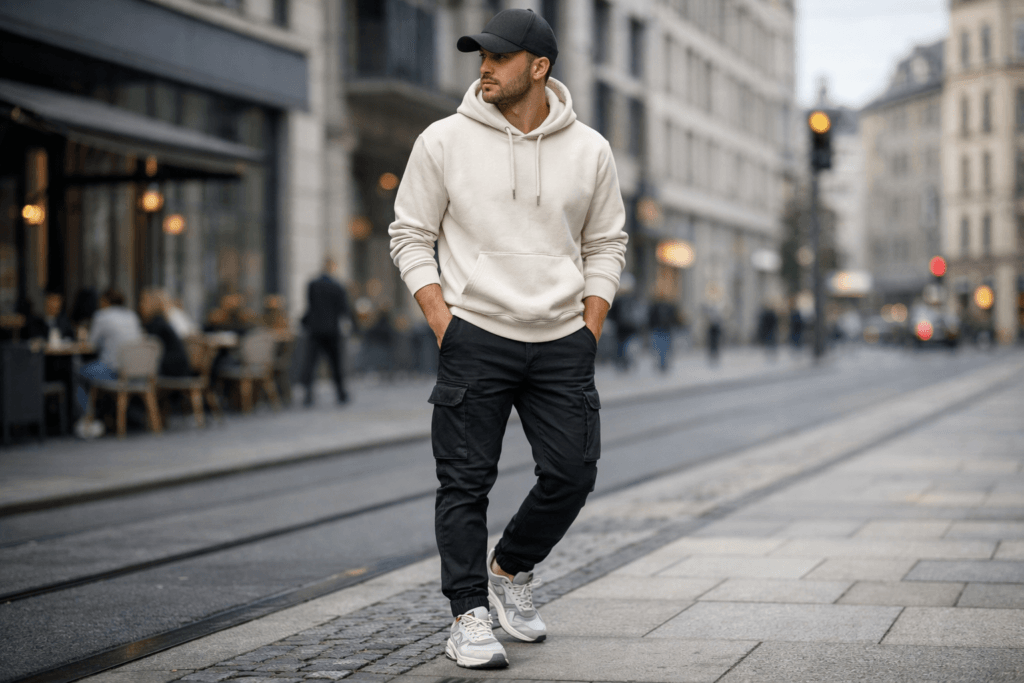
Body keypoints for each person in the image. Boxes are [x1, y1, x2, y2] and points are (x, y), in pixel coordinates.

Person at [388, 9, 627, 670]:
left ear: (539, 67)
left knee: (573, 472)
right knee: (464, 482)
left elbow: (606, 243)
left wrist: (590, 326)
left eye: (497, 57)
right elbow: (410, 234)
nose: (483, 68)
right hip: (476, 335)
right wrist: (444, 320)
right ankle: (467, 615)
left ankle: (511, 567)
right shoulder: (443, 140)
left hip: (561, 340)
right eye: (479, 56)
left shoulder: (591, 151)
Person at [74, 287, 143, 439]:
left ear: (105, 301)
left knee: (79, 372)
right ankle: (106, 417)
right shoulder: (132, 315)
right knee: (95, 371)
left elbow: (91, 344)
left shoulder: (102, 316)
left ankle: (86, 421)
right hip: (136, 372)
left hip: (114, 371)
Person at [300, 257, 353, 405]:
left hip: (315, 330)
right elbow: (344, 310)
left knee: (311, 363)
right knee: (335, 364)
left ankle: (308, 395)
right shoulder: (337, 287)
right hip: (331, 331)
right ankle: (341, 394)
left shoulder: (313, 285)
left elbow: (310, 306)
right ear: (333, 268)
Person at [139, 289, 192, 377]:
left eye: (144, 302)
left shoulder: (156, 325)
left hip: (173, 371)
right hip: (180, 368)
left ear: (153, 305)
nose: (140, 305)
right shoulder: (161, 321)